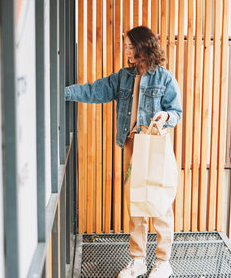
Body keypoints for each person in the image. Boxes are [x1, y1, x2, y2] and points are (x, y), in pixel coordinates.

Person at [64, 26, 182, 278]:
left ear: (143, 46)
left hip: (155, 145)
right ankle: (137, 260)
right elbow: (95, 91)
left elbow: (177, 113)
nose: (126, 50)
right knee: (137, 203)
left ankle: (163, 262)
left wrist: (166, 116)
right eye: (126, 45)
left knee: (160, 203)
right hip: (132, 147)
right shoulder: (123, 77)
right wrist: (66, 93)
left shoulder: (164, 78)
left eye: (130, 45)